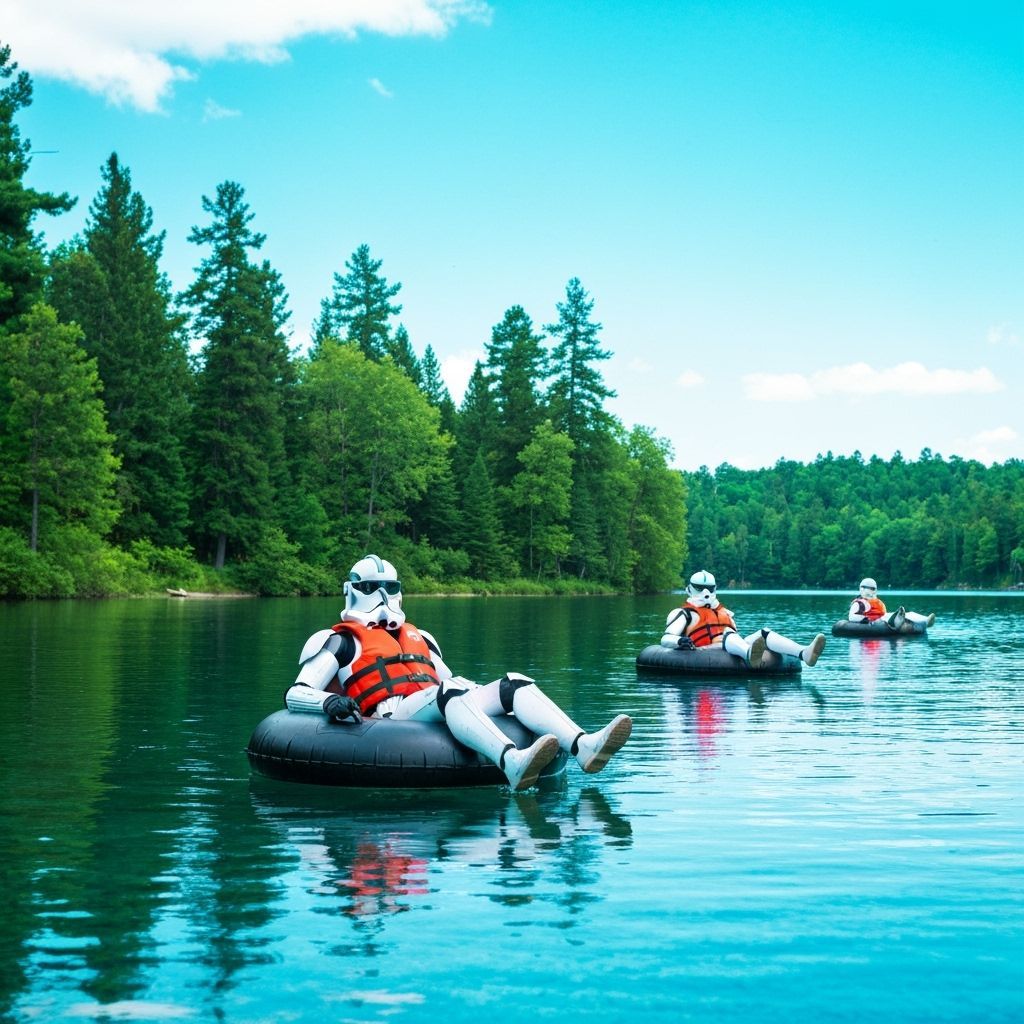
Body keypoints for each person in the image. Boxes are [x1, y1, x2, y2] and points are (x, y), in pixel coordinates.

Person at [283, 554, 632, 792]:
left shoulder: (422, 637)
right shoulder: (339, 641)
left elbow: (446, 680)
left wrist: (484, 693)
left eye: (389, 588)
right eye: (370, 588)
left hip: (433, 702)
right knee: (449, 691)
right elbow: (297, 692)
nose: (381, 596)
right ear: (352, 590)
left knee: (513, 683)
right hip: (392, 716)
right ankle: (510, 762)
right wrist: (329, 703)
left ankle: (583, 745)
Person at [660, 569, 826, 668]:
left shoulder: (725, 612)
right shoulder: (683, 613)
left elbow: (735, 635)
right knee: (728, 635)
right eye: (700, 589)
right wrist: (680, 641)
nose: (705, 593)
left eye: (709, 589)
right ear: (689, 589)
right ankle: (750, 655)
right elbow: (666, 638)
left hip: (730, 647)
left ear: (715, 589)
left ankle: (804, 653)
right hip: (705, 650)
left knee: (764, 632)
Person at [848, 578, 935, 629]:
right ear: (862, 589)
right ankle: (896, 622)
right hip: (874, 621)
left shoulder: (876, 601)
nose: (872, 591)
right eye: (870, 588)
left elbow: (883, 612)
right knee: (887, 618)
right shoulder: (859, 604)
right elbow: (852, 617)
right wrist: (865, 619)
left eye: (873, 589)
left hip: (882, 618)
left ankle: (926, 621)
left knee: (910, 613)